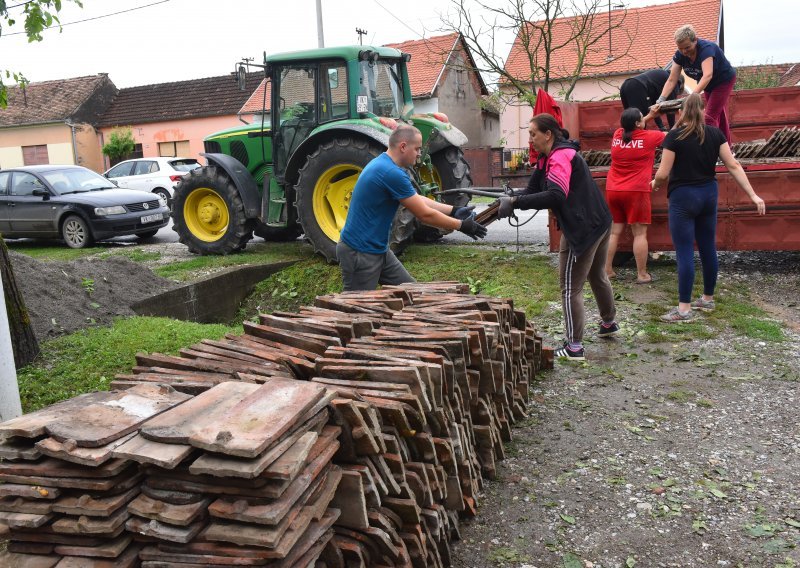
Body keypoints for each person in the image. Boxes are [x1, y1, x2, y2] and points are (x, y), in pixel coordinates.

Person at [497, 114, 617, 361]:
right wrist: (512, 197)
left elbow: (556, 195)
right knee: (598, 276)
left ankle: (574, 347)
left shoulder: (560, 156)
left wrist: (516, 202)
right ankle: (609, 323)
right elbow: (532, 191)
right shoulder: (549, 157)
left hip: (582, 228)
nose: (530, 140)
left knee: (569, 288)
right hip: (600, 221)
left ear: (548, 134)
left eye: (533, 134)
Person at [651, 93, 765, 322]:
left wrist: (655, 183)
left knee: (684, 251)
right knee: (707, 248)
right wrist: (753, 195)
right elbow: (732, 164)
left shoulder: (674, 137)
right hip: (708, 196)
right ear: (704, 111)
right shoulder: (715, 134)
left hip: (683, 198)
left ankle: (684, 310)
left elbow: (663, 173)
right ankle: (707, 299)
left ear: (681, 112)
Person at [337, 124, 487, 291]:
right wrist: (460, 225)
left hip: (378, 250)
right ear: (403, 146)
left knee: (412, 292)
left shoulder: (385, 165)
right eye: (417, 149)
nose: (419, 154)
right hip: (360, 252)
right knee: (358, 310)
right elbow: (424, 215)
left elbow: (417, 199)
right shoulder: (389, 172)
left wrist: (454, 210)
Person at [604, 106, 666, 284]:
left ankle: (607, 270)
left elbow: (633, 126)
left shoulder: (617, 135)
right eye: (642, 119)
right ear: (639, 123)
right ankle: (642, 274)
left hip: (613, 189)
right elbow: (672, 136)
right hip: (636, 191)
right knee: (639, 234)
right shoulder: (650, 137)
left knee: (614, 232)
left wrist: (649, 116)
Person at [658, 24, 736, 142]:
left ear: (695, 40)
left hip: (722, 81)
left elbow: (707, 75)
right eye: (680, 48)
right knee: (717, 113)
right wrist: (661, 100)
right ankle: (728, 148)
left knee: (708, 118)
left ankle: (713, 150)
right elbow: (672, 79)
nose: (684, 51)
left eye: (687, 47)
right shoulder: (680, 55)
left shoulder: (706, 49)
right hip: (708, 84)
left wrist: (692, 96)